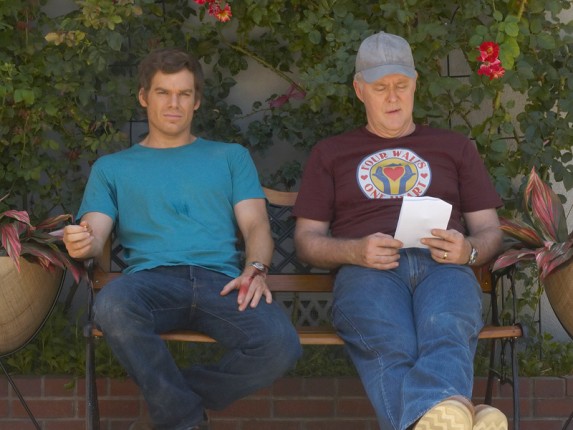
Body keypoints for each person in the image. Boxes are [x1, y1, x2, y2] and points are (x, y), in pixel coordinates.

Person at [63, 48, 302, 430]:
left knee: (280, 344)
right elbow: (94, 233)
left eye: (184, 94)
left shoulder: (230, 157)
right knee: (112, 306)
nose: (174, 103)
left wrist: (256, 268)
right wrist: (82, 242)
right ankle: (185, 420)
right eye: (163, 92)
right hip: (151, 284)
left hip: (222, 284)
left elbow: (257, 225)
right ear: (144, 96)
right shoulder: (112, 167)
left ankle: (172, 408)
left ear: (197, 100)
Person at [292, 31, 507, 430]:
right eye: (380, 88)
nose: (393, 97)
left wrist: (469, 250)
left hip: (443, 266)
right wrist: (355, 251)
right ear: (360, 90)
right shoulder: (332, 153)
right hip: (367, 270)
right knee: (390, 343)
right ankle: (457, 412)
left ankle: (439, 418)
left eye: (401, 85)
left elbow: (490, 231)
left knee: (447, 327)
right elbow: (306, 241)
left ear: (415, 84)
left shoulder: (454, 147)